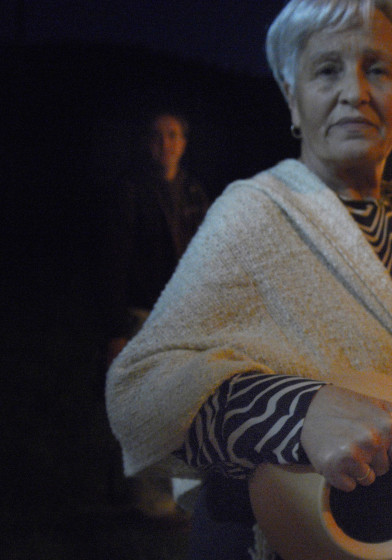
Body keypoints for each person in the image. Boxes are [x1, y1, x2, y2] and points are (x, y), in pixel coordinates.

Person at [105, 1, 392, 558]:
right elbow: (141, 387)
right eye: (327, 70)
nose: (354, 91)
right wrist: (297, 411)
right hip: (291, 538)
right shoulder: (254, 214)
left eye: (378, 69)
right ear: (293, 97)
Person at [104, 110, 211, 520]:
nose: (165, 143)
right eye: (157, 135)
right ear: (147, 143)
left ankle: (184, 497)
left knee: (183, 408)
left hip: (183, 317)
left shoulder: (193, 192)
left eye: (173, 135)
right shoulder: (130, 192)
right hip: (142, 314)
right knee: (143, 409)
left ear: (184, 142)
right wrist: (116, 331)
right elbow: (113, 265)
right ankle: (150, 502)